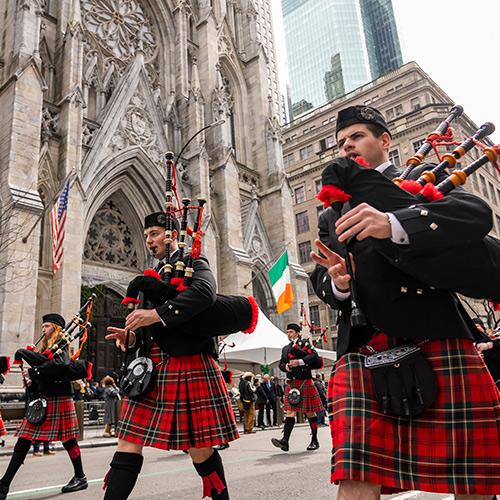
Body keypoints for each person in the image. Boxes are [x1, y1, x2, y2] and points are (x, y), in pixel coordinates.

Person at [310, 105, 500, 499]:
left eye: (357, 137)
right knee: (355, 473)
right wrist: (338, 284)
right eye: (342, 142)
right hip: (363, 345)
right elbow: (322, 278)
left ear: (384, 141)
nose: (348, 146)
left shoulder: (415, 183)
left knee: (473, 477)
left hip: (435, 332)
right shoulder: (332, 213)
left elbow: (475, 214)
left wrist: (395, 224)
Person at [104, 212, 239, 500]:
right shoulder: (150, 275)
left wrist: (155, 314)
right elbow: (145, 330)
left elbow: (204, 295)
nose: (149, 241)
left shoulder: (194, 262)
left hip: (188, 362)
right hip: (151, 368)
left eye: (154, 233)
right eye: (147, 236)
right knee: (128, 441)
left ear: (171, 235)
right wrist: (129, 339)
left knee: (200, 449)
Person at [0, 314, 88, 500]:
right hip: (47, 398)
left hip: (59, 398)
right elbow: (47, 367)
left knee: (67, 440)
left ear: (56, 328)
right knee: (26, 440)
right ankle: (4, 484)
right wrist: (32, 380)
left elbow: (61, 364)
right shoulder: (47, 348)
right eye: (43, 326)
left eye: (47, 326)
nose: (43, 329)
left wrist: (34, 371)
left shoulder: (62, 345)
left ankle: (80, 477)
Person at [271, 323, 323, 452]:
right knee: (290, 412)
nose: (289, 334)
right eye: (287, 332)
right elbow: (281, 363)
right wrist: (286, 367)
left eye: (291, 332)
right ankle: (285, 441)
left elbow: (314, 357)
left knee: (310, 412)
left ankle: (314, 440)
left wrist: (299, 362)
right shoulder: (285, 348)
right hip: (292, 382)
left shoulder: (305, 343)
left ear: (298, 333)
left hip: (304, 380)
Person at [473, 317, 500, 387]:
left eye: (476, 326)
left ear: (483, 327)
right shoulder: (473, 341)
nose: (475, 329)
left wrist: (488, 345)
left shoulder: (494, 336)